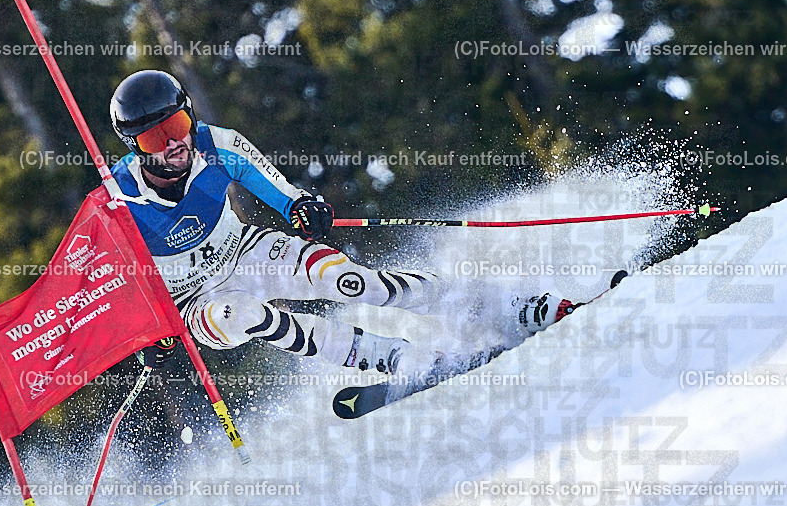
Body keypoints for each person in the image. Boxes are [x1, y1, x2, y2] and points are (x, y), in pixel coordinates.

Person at [108, 70, 572, 393]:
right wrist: (148, 333)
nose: (174, 143)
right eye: (154, 138)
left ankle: (498, 307)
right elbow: (115, 283)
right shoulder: (119, 198)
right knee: (243, 314)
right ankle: (391, 357)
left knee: (346, 278)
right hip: (195, 303)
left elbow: (282, 193)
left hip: (242, 251)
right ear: (134, 146)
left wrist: (304, 208)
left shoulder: (219, 145)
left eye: (178, 125)